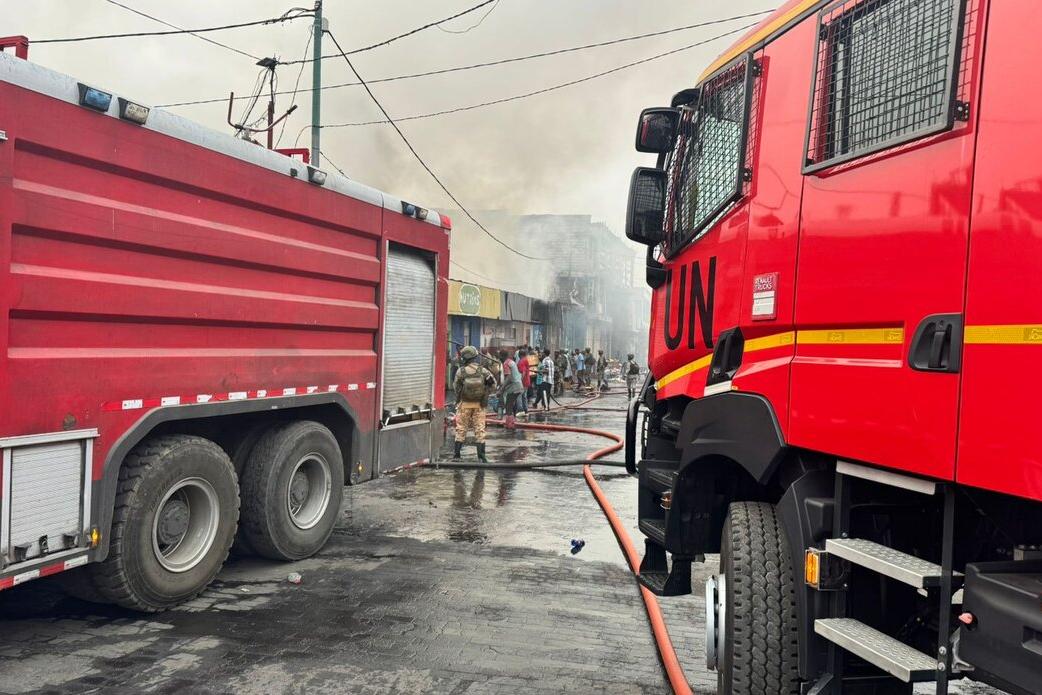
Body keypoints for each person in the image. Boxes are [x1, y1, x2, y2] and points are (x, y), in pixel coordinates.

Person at [453, 345, 496, 462]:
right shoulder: (483, 371)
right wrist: (485, 392)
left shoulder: (460, 371)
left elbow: (456, 387)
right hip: (479, 405)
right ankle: (482, 458)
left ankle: (457, 456)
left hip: (464, 405)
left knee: (461, 429)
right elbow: (493, 385)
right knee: (480, 430)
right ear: (474, 357)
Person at [498, 349, 525, 429]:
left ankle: (509, 424)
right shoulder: (511, 362)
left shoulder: (506, 363)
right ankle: (511, 422)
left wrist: (501, 389)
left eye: (499, 356)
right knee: (510, 405)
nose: (499, 357)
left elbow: (509, 377)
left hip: (514, 387)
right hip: (519, 386)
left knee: (508, 406)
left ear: (502, 356)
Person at [517, 348, 531, 417]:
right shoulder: (526, 360)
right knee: (524, 396)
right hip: (527, 381)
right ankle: (525, 410)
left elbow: (523, 372)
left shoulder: (521, 361)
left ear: (520, 355)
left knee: (519, 396)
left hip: (523, 382)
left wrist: (519, 381)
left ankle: (520, 410)